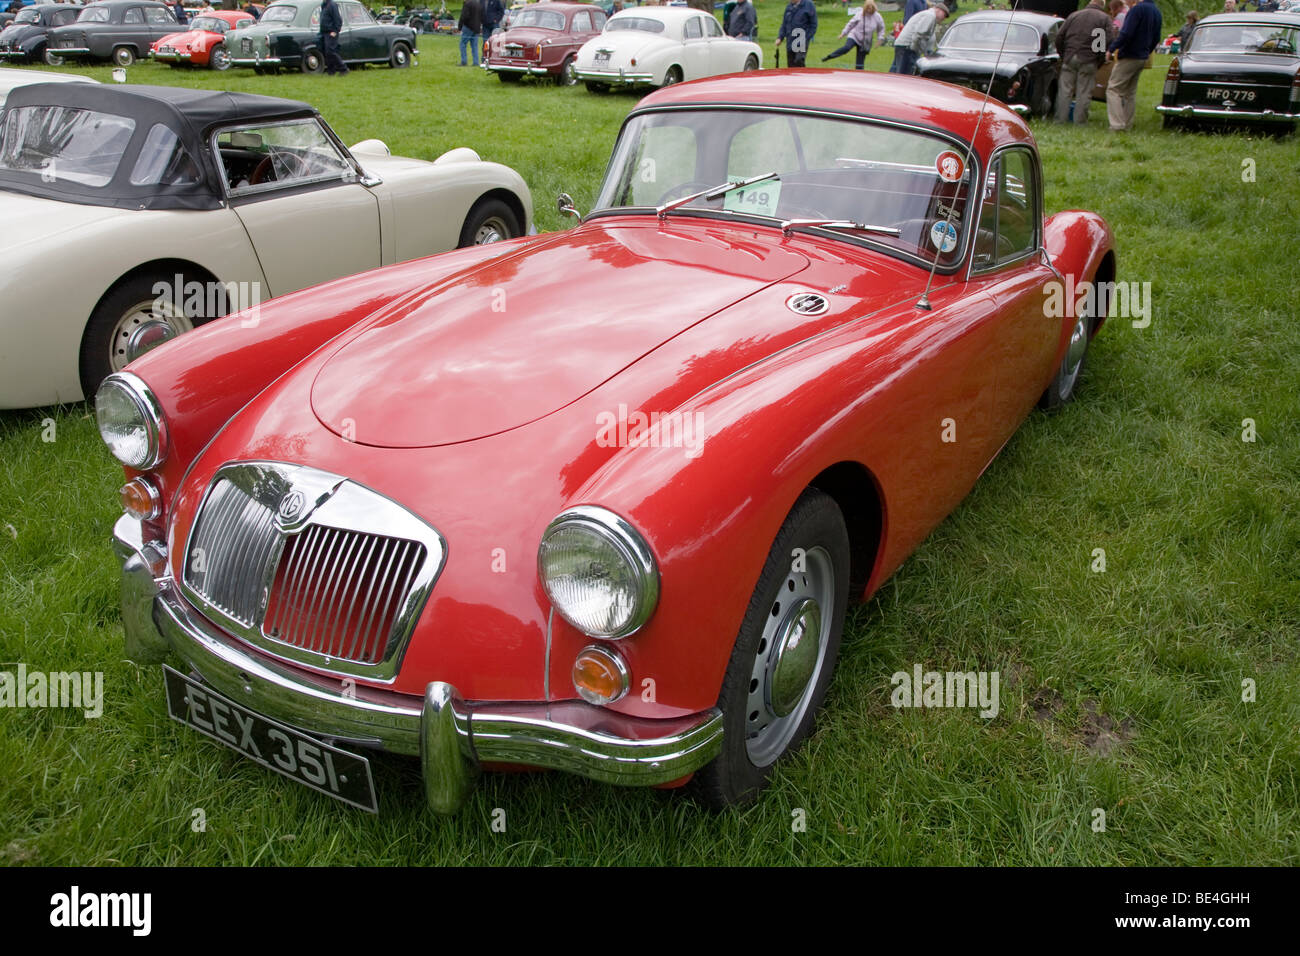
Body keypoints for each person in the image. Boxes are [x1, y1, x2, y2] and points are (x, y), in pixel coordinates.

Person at [1055, 0, 1114, 124]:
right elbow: (1107, 40)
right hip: (1089, 59)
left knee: (1065, 90)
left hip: (1070, 56)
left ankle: (1060, 120)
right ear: (1102, 5)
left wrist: (1064, 54)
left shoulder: (1074, 15)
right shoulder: (1104, 18)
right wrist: (1099, 59)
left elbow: (1060, 36)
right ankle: (1080, 122)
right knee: (1084, 92)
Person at [1106, 0, 1161, 130]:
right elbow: (1157, 37)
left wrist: (1112, 49)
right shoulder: (1156, 11)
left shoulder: (1137, 10)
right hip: (1142, 56)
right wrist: (1147, 50)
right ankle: (1127, 124)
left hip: (1130, 55)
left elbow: (1126, 33)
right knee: (1130, 92)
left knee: (1113, 89)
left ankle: (1117, 125)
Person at [889, 0, 946, 75]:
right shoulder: (930, 16)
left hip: (904, 45)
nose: (944, 18)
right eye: (944, 15)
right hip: (908, 47)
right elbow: (919, 34)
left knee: (896, 72)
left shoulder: (928, 14)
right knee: (904, 75)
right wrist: (917, 50)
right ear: (939, 10)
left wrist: (927, 51)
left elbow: (929, 37)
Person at [823, 2, 885, 69]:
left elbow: (881, 28)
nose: (868, 10)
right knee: (847, 48)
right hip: (854, 36)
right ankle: (829, 56)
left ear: (874, 8)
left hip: (865, 42)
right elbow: (850, 24)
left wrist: (880, 39)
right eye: (867, 8)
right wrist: (843, 34)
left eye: (870, 8)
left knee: (860, 63)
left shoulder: (877, 17)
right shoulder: (860, 14)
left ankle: (859, 76)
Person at [775, 0, 817, 67]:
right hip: (790, 40)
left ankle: (802, 76)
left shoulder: (809, 5)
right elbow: (784, 24)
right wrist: (780, 37)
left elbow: (813, 25)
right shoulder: (789, 7)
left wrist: (805, 38)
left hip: (802, 40)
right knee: (791, 64)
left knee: (799, 61)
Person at [319, 0, 348, 74]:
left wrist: (335, 31)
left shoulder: (332, 5)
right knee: (326, 52)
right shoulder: (324, 5)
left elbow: (338, 19)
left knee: (331, 51)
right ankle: (331, 70)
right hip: (324, 32)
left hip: (331, 32)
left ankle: (343, 68)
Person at [459, 0, 482, 66]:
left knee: (462, 44)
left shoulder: (467, 4)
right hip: (476, 27)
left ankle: (464, 61)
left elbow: (464, 16)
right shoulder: (478, 4)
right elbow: (481, 16)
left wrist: (460, 27)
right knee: (474, 46)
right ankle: (476, 62)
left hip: (468, 27)